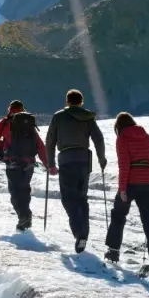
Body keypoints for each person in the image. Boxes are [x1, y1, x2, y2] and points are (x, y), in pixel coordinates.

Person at [104, 112, 149, 274]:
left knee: (118, 215)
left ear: (118, 126)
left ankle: (113, 251)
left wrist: (123, 189)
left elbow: (124, 165)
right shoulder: (147, 137)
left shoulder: (123, 138)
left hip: (130, 183)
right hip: (148, 184)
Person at [45, 89, 106, 253]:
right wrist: (102, 159)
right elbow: (98, 138)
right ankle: (83, 234)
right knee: (81, 198)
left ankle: (79, 234)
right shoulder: (88, 117)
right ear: (81, 102)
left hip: (66, 160)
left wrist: (51, 164)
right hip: (84, 161)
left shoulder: (58, 117)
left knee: (68, 199)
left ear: (67, 101)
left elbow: (50, 142)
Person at [0, 100, 49, 231]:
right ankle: (25, 217)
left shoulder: (5, 122)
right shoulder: (29, 123)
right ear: (23, 109)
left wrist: (4, 145)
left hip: (13, 162)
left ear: (9, 109)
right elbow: (40, 145)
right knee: (24, 189)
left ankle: (24, 217)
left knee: (15, 192)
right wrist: (47, 163)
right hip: (29, 163)